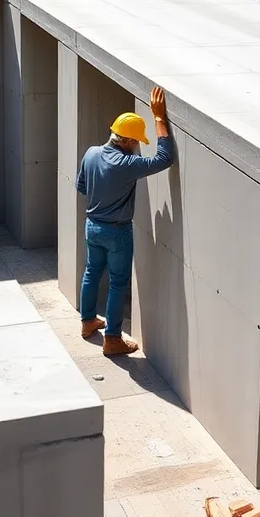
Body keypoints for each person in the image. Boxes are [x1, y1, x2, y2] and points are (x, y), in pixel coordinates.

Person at [76, 87, 176, 356]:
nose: (138, 146)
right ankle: (112, 339)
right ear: (128, 142)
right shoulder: (127, 164)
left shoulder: (91, 153)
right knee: (119, 283)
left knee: (91, 272)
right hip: (117, 232)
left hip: (92, 226)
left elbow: (81, 186)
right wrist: (158, 118)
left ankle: (87, 323)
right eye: (137, 142)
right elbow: (165, 158)